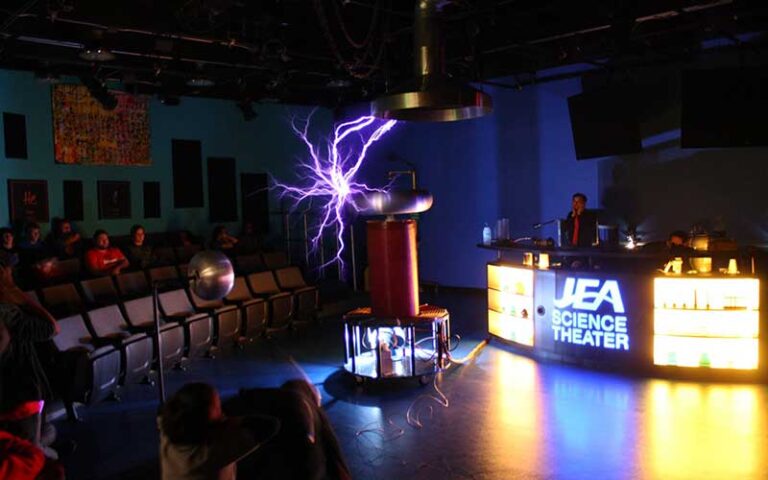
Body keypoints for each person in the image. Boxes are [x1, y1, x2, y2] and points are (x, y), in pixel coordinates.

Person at [225, 380, 352, 480]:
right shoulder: (311, 411)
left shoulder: (288, 398)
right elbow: (333, 450)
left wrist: (245, 393)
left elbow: (251, 395)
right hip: (311, 468)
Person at [158, 382, 280, 480]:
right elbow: (270, 425)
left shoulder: (167, 431)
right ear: (205, 423)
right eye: (217, 408)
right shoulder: (212, 452)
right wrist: (228, 422)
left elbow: (162, 413)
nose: (222, 412)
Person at [0, 261, 59, 445]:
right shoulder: (6, 312)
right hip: (18, 390)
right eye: (9, 273)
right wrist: (19, 296)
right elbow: (51, 327)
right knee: (28, 450)